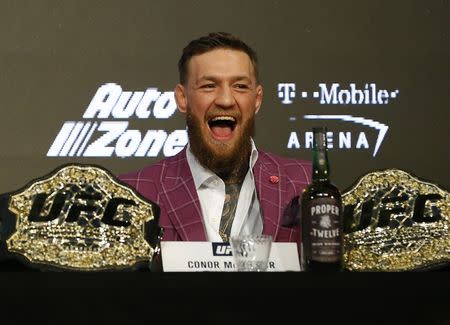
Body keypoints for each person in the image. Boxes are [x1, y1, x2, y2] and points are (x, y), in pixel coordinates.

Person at [119, 32, 311, 244]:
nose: (226, 100)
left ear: (257, 100)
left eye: (240, 86)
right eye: (209, 86)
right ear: (182, 99)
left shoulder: (304, 182)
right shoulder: (134, 193)